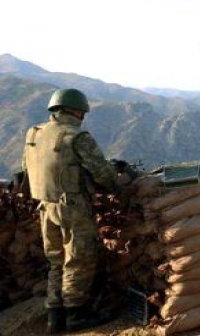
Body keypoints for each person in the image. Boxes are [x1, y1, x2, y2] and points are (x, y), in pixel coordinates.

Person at [22, 88, 129, 333]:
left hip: (44, 206)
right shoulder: (77, 137)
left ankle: (55, 317)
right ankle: (76, 314)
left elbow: (26, 171)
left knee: (56, 261)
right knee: (79, 258)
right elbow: (103, 174)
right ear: (78, 111)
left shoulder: (34, 134)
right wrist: (120, 182)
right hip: (72, 208)